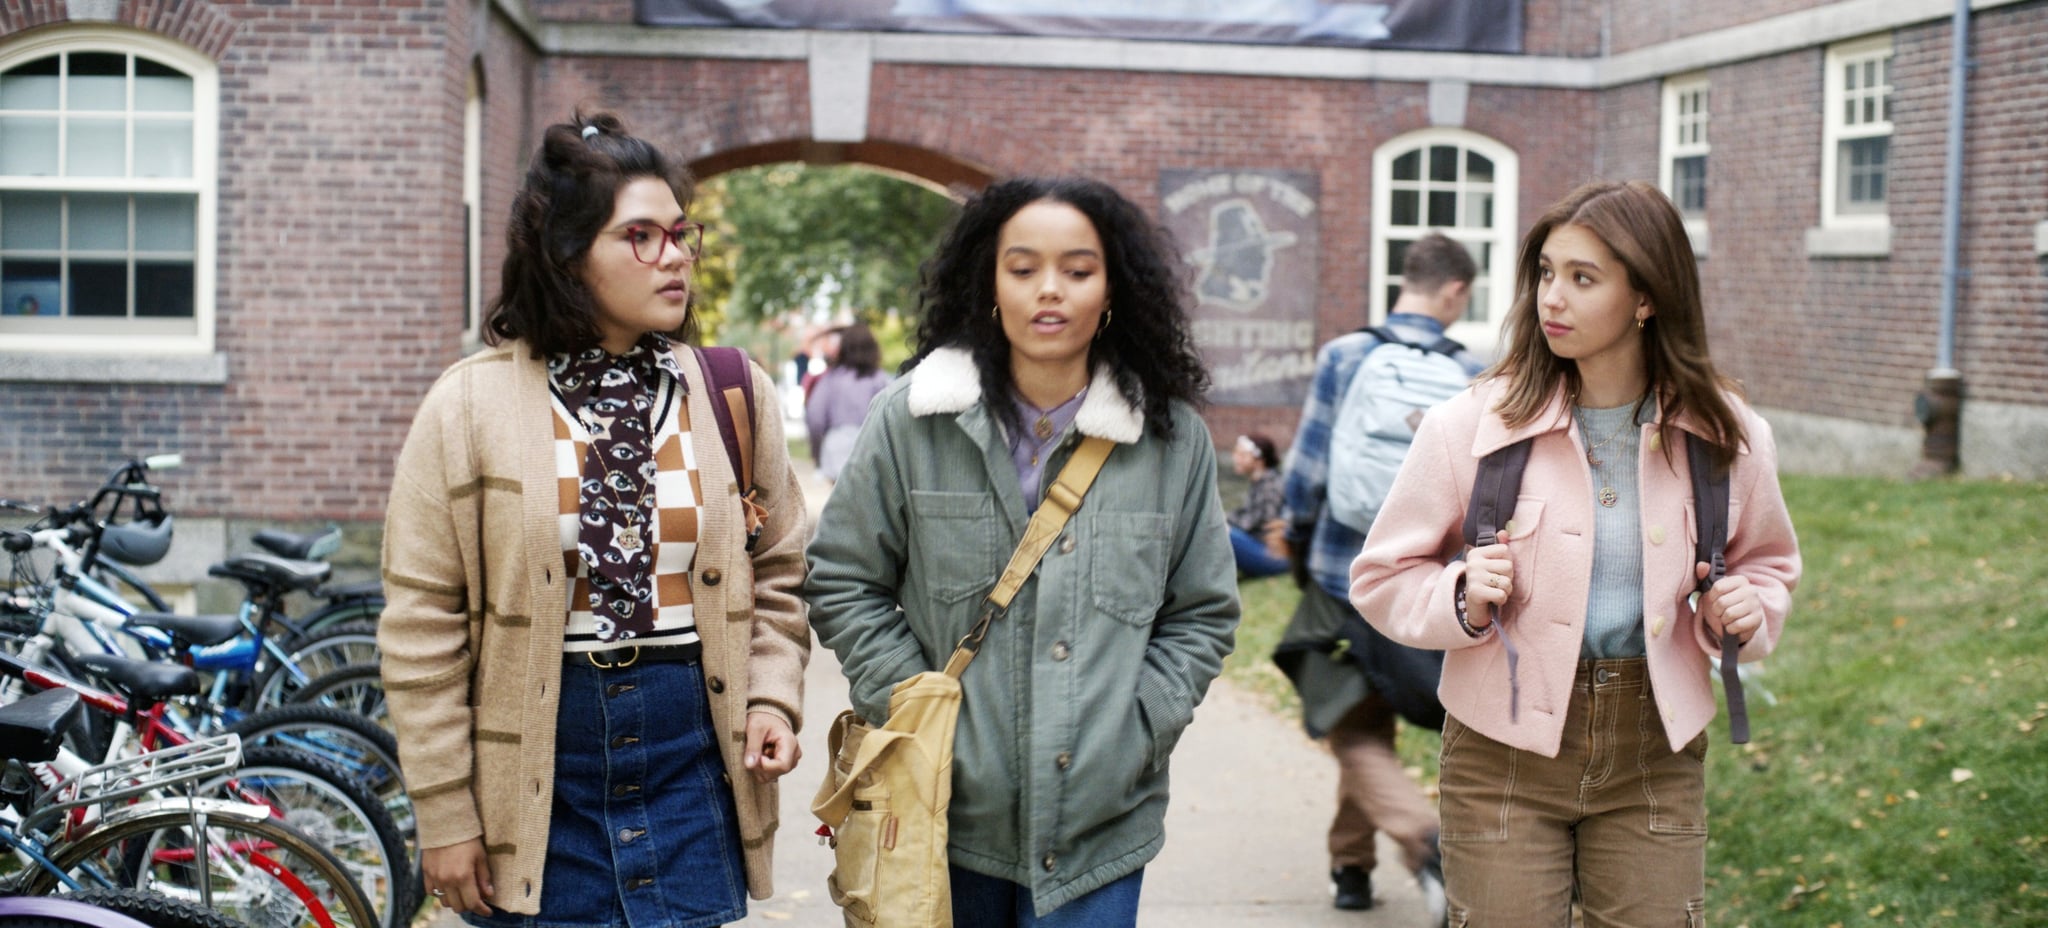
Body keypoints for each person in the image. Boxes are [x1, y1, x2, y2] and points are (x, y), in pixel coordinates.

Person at [378, 110, 811, 928]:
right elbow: (421, 623)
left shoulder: (727, 391)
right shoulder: (468, 406)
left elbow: (782, 569)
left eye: (681, 234)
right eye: (640, 236)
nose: (675, 256)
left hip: (693, 748)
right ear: (568, 255)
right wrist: (445, 813)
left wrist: (770, 699)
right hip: (538, 761)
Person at [1351, 181, 1801, 925]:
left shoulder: (1729, 436)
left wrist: (1749, 608)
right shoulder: (1469, 424)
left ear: (1647, 297)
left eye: (1582, 279)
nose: (1550, 298)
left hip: (1655, 749)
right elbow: (1383, 576)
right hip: (1502, 749)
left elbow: (1768, 564)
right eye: (1547, 273)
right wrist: (1460, 596)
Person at [804, 176, 1239, 926]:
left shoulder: (1169, 439)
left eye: (1077, 270)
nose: (1050, 291)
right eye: (1023, 267)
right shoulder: (911, 423)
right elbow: (843, 579)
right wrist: (914, 710)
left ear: (1112, 291)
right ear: (989, 282)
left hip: (1099, 829)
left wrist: (1134, 734)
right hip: (943, 816)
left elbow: (1200, 613)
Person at [1274, 230, 1479, 918]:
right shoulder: (1468, 370)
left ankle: (1425, 841)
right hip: (1425, 586)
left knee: (1352, 725)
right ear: (1456, 290)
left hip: (1342, 573)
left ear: (1407, 278)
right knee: (1368, 720)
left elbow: (1307, 469)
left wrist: (1299, 545)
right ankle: (1350, 870)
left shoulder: (1347, 353)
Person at [804, 321, 890, 482]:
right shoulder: (881, 380)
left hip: (837, 447)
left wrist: (816, 453)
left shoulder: (831, 379)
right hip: (871, 448)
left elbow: (815, 418)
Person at [1226, 432, 1289, 577]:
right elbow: (1245, 514)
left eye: (1242, 455)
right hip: (1263, 549)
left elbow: (1262, 523)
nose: (1236, 458)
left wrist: (1222, 521)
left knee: (1224, 532)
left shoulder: (1271, 485)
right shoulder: (1262, 482)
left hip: (1275, 556)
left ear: (1259, 460)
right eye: (1236, 453)